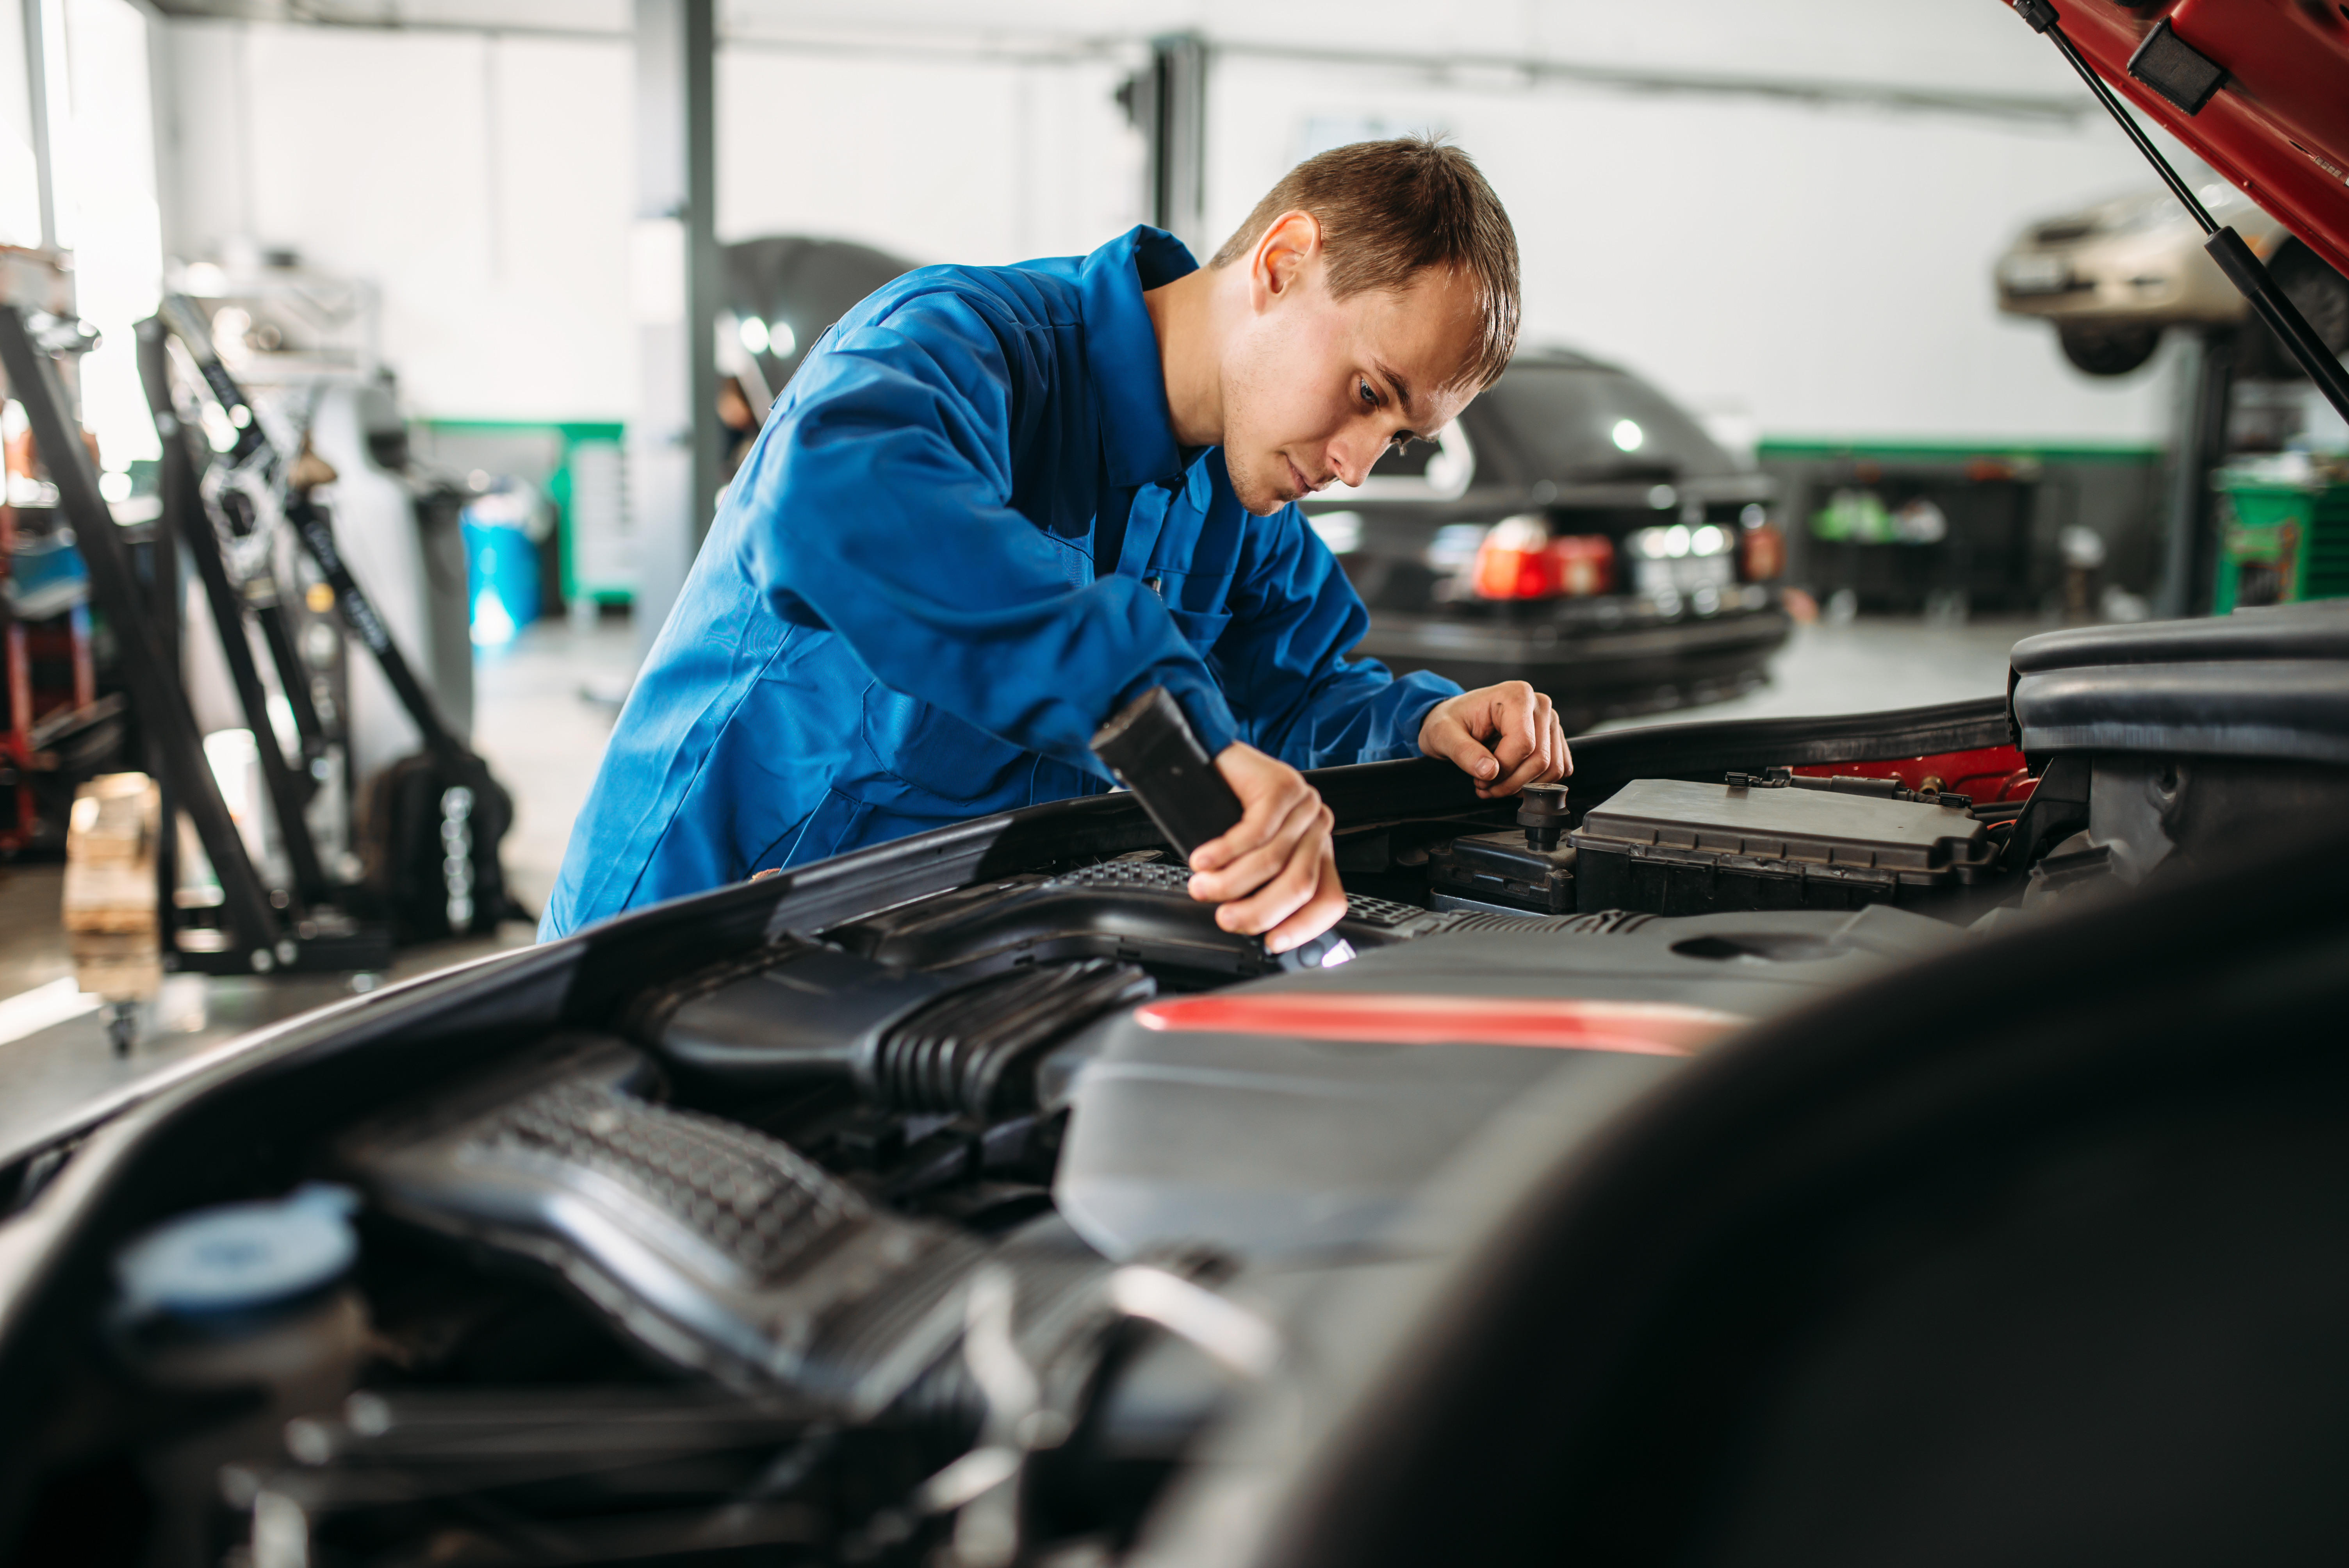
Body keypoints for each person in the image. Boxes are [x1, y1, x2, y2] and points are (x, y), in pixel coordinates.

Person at [542, 135, 1570, 950]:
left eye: (1396, 440)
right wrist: (1155, 713)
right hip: (682, 941)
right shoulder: (962, 346)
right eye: (1365, 395)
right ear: (1284, 262)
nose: (1355, 461)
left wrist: (1427, 723)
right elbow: (838, 501)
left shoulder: (1239, 499)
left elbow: (1298, 695)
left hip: (927, 960)